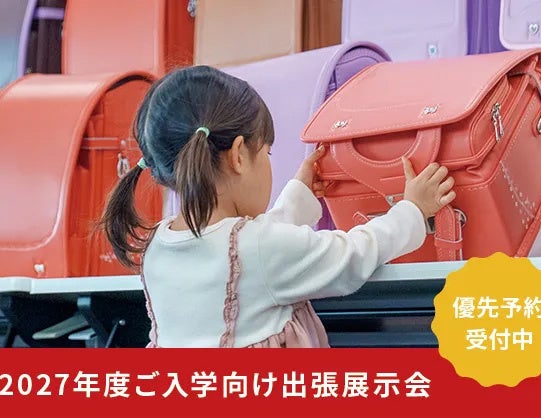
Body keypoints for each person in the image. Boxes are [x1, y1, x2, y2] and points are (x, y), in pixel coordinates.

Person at [101, 65, 455, 348]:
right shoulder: (257, 249)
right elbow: (352, 254)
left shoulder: (158, 246)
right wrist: (412, 210)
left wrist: (300, 195)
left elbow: (258, 249)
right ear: (239, 155)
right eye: (266, 153)